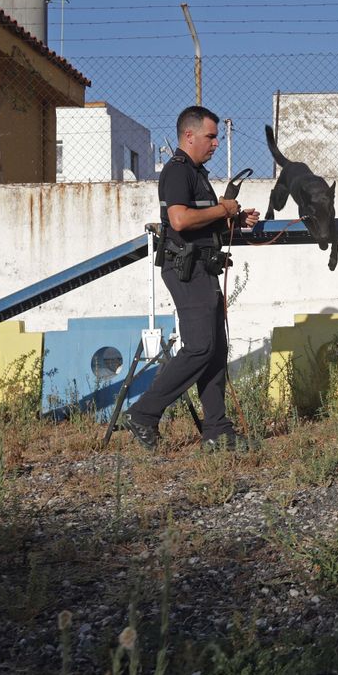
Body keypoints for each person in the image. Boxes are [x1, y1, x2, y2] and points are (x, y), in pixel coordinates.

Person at [124, 106, 259, 450]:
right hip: (186, 268)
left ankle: (218, 431)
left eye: (216, 137)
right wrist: (224, 209)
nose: (216, 143)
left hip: (204, 266)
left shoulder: (197, 174)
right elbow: (181, 220)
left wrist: (235, 220)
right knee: (200, 347)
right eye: (211, 136)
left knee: (215, 351)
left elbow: (201, 219)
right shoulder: (177, 171)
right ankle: (143, 413)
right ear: (189, 135)